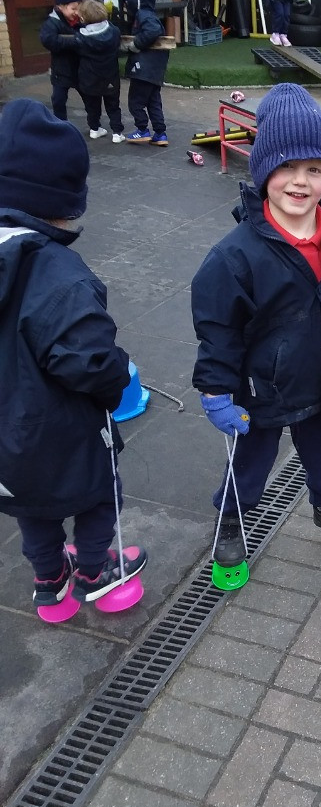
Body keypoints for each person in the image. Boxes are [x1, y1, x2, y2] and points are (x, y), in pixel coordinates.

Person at [191, 83, 321, 565]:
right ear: (263, 173)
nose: (300, 182)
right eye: (286, 167)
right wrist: (216, 392)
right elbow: (218, 331)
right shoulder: (235, 256)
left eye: (314, 170)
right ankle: (232, 521)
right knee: (251, 466)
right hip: (260, 391)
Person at [0, 99, 147, 612]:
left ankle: (49, 582)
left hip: (6, 440)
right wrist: (115, 381)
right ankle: (93, 569)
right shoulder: (59, 274)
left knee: (31, 507)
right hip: (63, 431)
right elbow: (87, 360)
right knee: (98, 495)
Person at [119, 0, 170, 145]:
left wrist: (136, 45)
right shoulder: (148, 13)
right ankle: (160, 133)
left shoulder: (144, 15)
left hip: (143, 69)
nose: (126, 5)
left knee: (135, 101)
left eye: (128, 0)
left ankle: (142, 130)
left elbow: (153, 30)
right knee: (153, 101)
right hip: (155, 70)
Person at [72, 0, 125, 143]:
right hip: (110, 75)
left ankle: (94, 129)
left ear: (83, 18)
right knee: (113, 105)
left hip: (89, 77)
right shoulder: (114, 31)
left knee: (92, 105)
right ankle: (117, 132)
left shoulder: (80, 37)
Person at [39, 0, 83, 121]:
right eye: (73, 8)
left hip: (79, 68)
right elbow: (48, 40)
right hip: (61, 69)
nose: (76, 12)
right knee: (58, 100)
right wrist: (74, 40)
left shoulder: (80, 21)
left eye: (78, 8)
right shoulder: (52, 22)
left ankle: (95, 124)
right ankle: (60, 124)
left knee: (89, 98)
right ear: (60, 7)